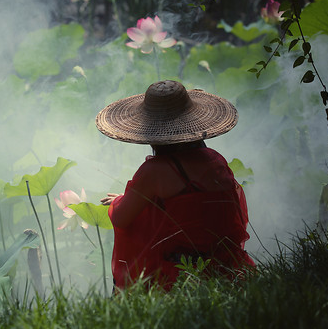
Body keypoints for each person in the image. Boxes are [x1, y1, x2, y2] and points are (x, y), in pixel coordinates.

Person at [96, 80, 255, 291]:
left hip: (178, 274)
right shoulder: (216, 161)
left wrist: (118, 201)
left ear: (150, 132)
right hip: (224, 266)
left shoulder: (154, 171)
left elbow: (121, 217)